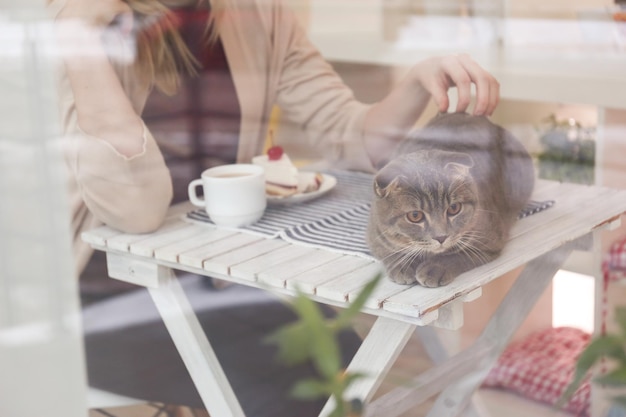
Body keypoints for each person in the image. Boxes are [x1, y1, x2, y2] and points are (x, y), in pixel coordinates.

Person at [48, 0, 500, 415]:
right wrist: (79, 38)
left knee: (335, 348)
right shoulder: (77, 19)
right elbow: (135, 212)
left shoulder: (258, 13)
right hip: (85, 298)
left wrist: (418, 81)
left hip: (208, 273)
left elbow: (348, 134)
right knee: (281, 379)